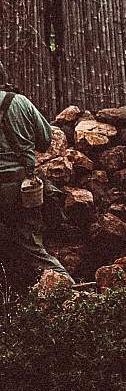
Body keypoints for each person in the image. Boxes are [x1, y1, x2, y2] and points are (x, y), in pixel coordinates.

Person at [0, 61, 72, 285]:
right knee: (33, 249)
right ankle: (70, 290)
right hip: (22, 190)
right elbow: (45, 140)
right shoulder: (19, 102)